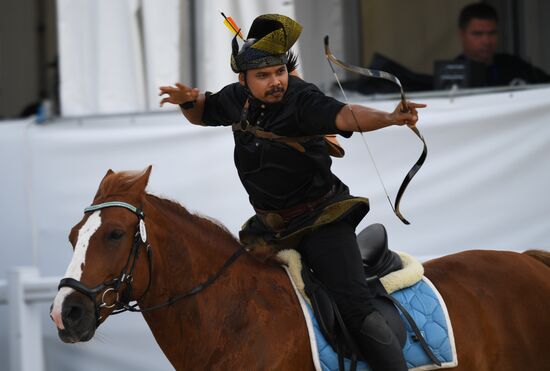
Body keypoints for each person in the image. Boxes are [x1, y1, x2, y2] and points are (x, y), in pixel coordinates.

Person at [159, 14, 425, 371]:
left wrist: (390, 118)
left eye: (279, 72)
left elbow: (347, 116)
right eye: (264, 75)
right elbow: (203, 112)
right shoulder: (238, 99)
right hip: (272, 229)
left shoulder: (303, 99)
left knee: (355, 307)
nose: (275, 82)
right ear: (244, 79)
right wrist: (187, 101)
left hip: (322, 221)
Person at [456, 2, 550, 87]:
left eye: (492, 33)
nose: (486, 41)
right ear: (462, 35)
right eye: (478, 34)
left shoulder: (515, 65)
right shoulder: (453, 73)